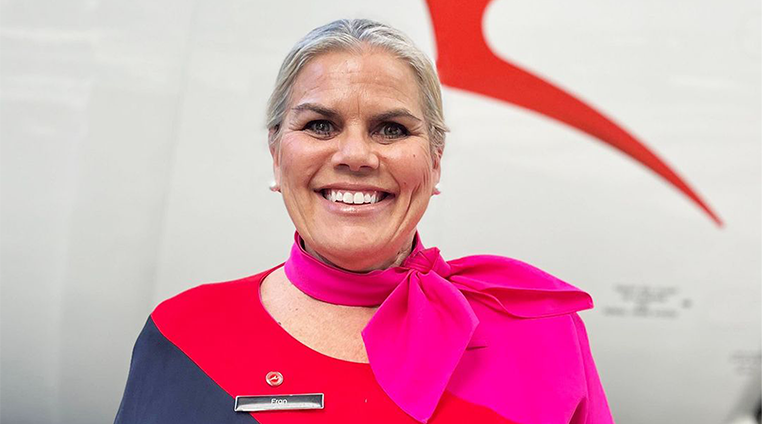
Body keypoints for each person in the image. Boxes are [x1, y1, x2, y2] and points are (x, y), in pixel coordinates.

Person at [114, 19, 615, 424]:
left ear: (435, 161)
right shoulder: (184, 334)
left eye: (391, 129)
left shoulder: (542, 332)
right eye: (320, 126)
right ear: (275, 154)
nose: (355, 155)